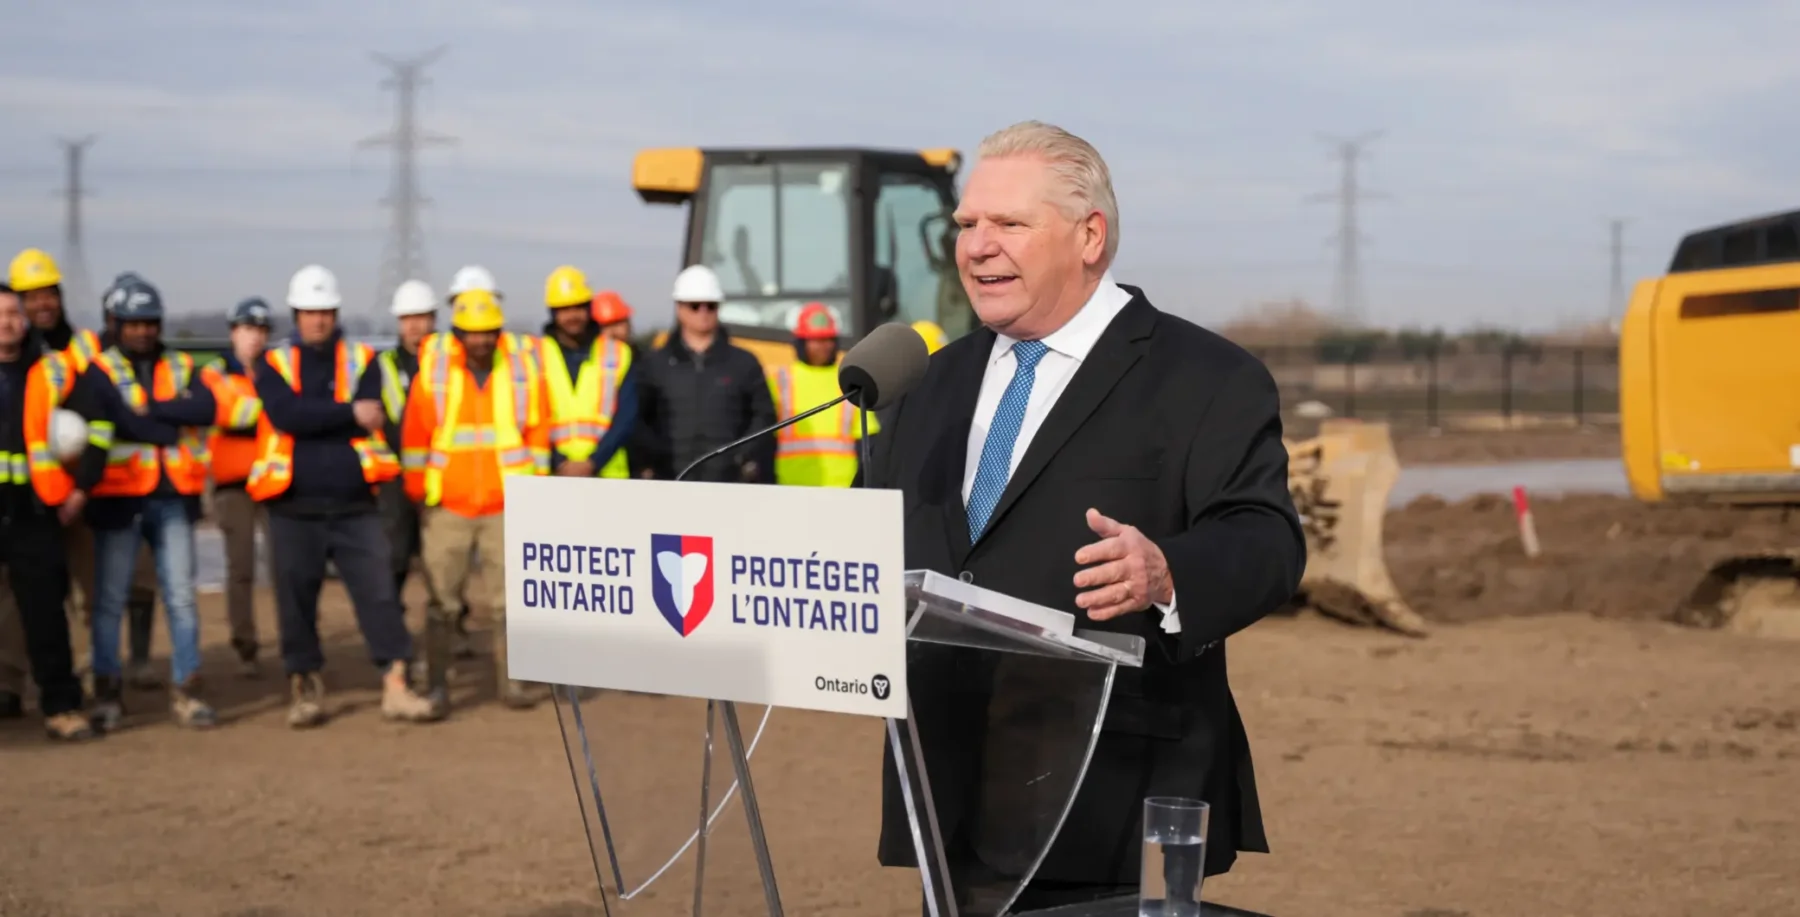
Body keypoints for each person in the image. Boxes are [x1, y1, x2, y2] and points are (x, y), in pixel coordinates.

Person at [863, 121, 1305, 910]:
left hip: (1115, 794)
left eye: (1008, 224)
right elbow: (880, 547)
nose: (976, 246)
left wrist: (1168, 571)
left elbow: (1268, 540)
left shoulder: (1205, 378)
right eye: (966, 225)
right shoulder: (926, 385)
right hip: (949, 787)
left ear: (1089, 235)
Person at [248, 264, 443, 728]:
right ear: (296, 315)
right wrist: (346, 413)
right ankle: (305, 687)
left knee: (379, 594)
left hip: (356, 505)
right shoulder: (274, 365)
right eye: (310, 312)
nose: (318, 320)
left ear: (336, 313)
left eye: (326, 311)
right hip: (292, 506)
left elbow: (371, 414)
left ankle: (396, 685)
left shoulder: (362, 361)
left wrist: (331, 416)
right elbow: (286, 415)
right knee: (296, 600)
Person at [10, 254, 159, 690]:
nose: (42, 305)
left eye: (48, 295)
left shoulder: (85, 350)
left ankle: (104, 669)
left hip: (84, 488)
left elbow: (102, 416)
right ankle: (12, 680)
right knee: (21, 594)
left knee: (97, 587)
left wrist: (82, 485)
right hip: (24, 494)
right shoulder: (12, 357)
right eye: (31, 297)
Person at [79, 276, 219, 730]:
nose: (143, 331)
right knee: (109, 601)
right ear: (115, 323)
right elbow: (113, 418)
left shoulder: (181, 364)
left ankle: (188, 692)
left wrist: (150, 410)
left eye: (150, 323)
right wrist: (164, 422)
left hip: (173, 498)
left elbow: (205, 408)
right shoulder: (99, 370)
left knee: (181, 597)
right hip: (119, 501)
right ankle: (107, 695)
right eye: (134, 323)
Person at [402, 289, 548, 710]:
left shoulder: (520, 370)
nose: (481, 341)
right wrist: (418, 489)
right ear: (458, 334)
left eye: (489, 333)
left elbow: (538, 431)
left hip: (506, 506)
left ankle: (512, 684)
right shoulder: (435, 372)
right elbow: (416, 434)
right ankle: (437, 682)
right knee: (441, 602)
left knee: (512, 603)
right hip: (449, 506)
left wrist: (533, 489)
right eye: (473, 334)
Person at [0, 283, 97, 741]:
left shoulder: (54, 371)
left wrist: (79, 489)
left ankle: (62, 706)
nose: (8, 322)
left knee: (44, 613)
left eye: (13, 313)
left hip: (32, 509)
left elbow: (98, 426)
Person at [634, 264, 776, 482]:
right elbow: (638, 420)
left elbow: (764, 417)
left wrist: (742, 457)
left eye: (710, 305)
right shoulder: (655, 364)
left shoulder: (743, 363)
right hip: (670, 483)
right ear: (679, 308)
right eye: (695, 305)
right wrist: (654, 458)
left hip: (728, 486)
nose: (703, 312)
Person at [376, 279, 458, 659]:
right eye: (407, 319)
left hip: (440, 476)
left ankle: (450, 634)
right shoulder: (383, 366)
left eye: (421, 317)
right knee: (394, 558)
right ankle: (390, 633)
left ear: (433, 319)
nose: (414, 326)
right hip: (395, 479)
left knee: (443, 563)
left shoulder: (449, 362)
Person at [206, 297, 273, 677]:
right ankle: (244, 645)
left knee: (285, 567)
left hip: (273, 478)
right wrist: (268, 409)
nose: (255, 338)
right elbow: (228, 413)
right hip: (233, 483)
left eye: (261, 330)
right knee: (241, 566)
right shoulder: (216, 373)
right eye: (248, 329)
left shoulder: (274, 371)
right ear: (233, 332)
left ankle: (297, 642)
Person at [535, 267, 637, 481]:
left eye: (579, 307)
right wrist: (559, 462)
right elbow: (530, 416)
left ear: (589, 308)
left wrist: (593, 462)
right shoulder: (534, 355)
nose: (572, 316)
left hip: (607, 475)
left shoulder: (618, 353)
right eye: (564, 309)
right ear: (553, 312)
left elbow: (626, 417)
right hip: (553, 474)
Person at [764, 302, 878, 487]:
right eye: (816, 340)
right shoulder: (779, 381)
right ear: (801, 342)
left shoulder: (849, 381)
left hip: (842, 488)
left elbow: (867, 439)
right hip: (791, 487)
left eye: (828, 340)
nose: (823, 346)